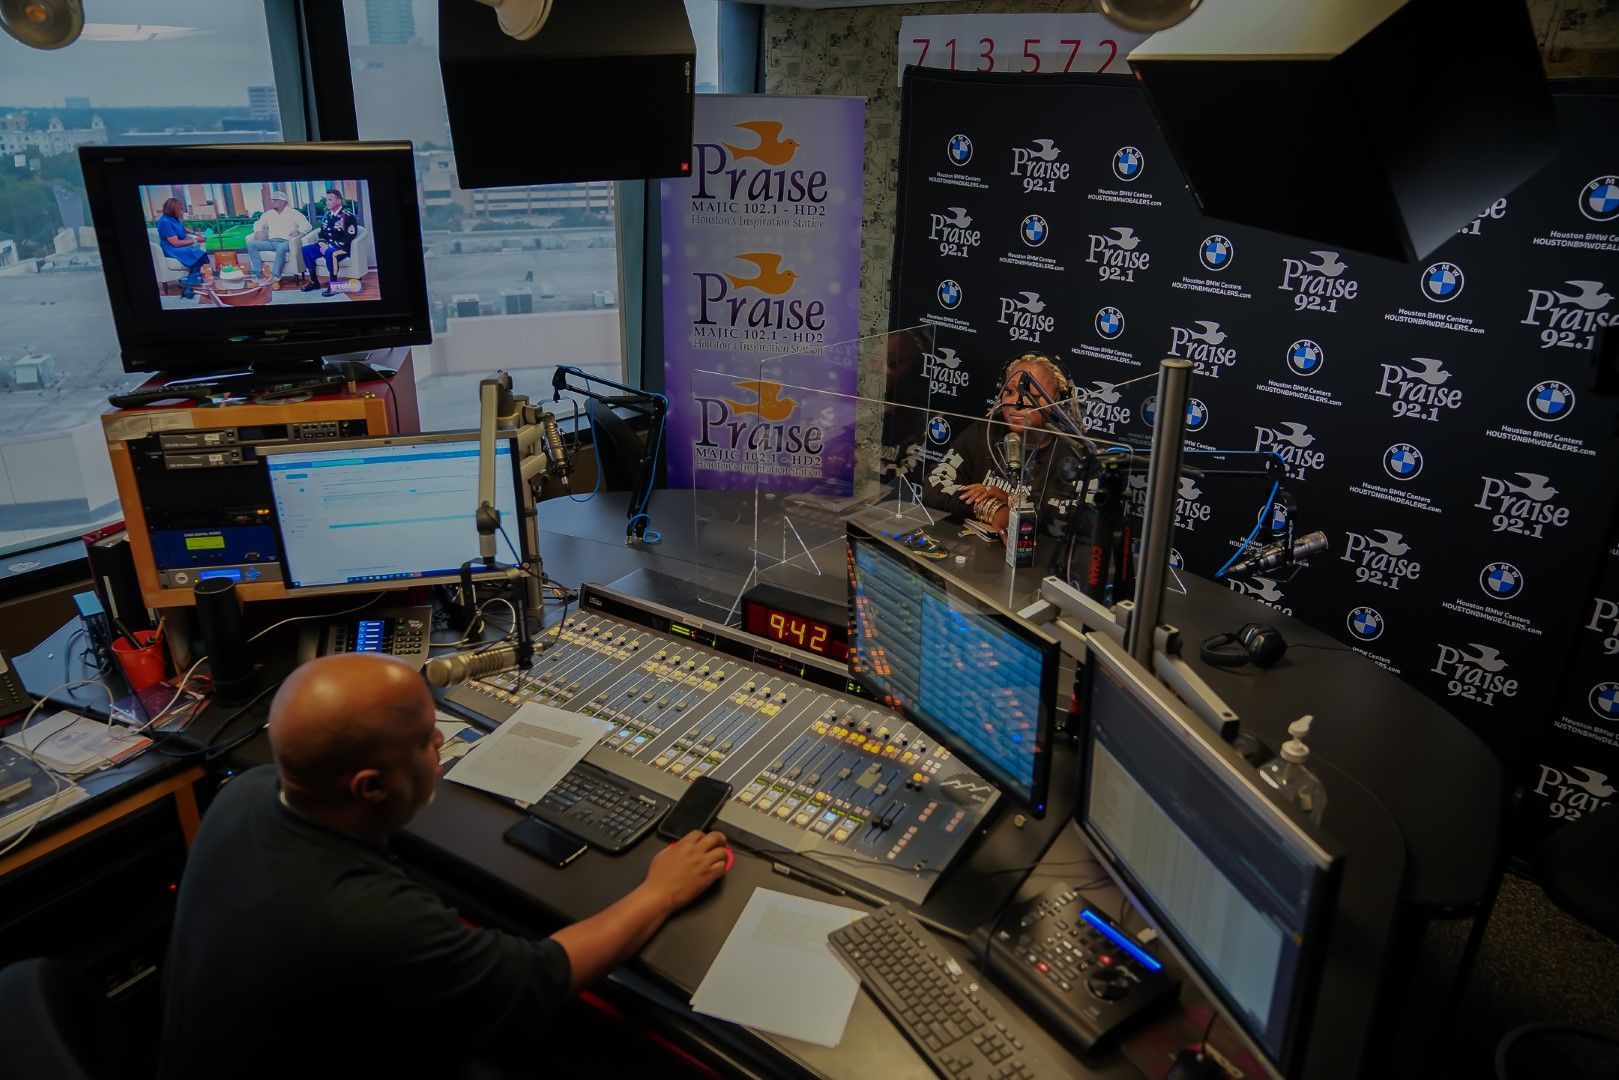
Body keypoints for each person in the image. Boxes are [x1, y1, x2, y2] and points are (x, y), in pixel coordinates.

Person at [159, 653, 729, 1077]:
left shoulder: (246, 793)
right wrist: (660, 892)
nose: (439, 741)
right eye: (424, 739)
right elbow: (537, 979)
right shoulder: (374, 919)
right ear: (370, 787)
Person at [919, 352, 1092, 542]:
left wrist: (1013, 503)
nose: (1017, 403)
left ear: (1058, 401)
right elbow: (933, 485)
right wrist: (993, 509)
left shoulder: (1078, 454)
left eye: (1032, 394)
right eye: (1009, 392)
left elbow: (1086, 522)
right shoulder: (982, 432)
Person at [300, 187, 359, 297]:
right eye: (326, 200)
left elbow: (349, 236)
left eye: (330, 200)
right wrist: (322, 243)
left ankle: (334, 285)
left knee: (330, 252)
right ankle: (314, 282)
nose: (327, 202)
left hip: (342, 248)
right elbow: (322, 233)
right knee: (306, 250)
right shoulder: (326, 216)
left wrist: (330, 246)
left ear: (338, 201)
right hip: (327, 246)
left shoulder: (347, 216)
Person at [242, 189, 310, 283]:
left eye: (275, 200)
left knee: (280, 247)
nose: (272, 202)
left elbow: (307, 226)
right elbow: (257, 224)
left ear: (283, 202)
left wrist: (298, 232)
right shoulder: (268, 214)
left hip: (287, 242)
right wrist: (257, 231)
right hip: (271, 242)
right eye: (272, 200)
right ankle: (258, 275)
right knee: (251, 244)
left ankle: (275, 277)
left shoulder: (294, 213)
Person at [155, 197, 212, 300]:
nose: (182, 211)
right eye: (180, 209)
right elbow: (175, 243)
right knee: (199, 254)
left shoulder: (174, 218)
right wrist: (196, 240)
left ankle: (189, 288)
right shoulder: (164, 222)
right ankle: (209, 273)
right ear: (173, 210)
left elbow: (182, 228)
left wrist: (195, 233)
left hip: (178, 246)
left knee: (198, 256)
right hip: (171, 248)